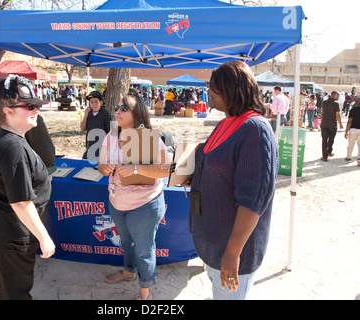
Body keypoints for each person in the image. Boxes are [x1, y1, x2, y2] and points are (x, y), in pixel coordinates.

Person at [189, 61, 278, 300]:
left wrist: (233, 253)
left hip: (233, 248)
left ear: (233, 89)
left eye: (215, 87)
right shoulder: (227, 122)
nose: (209, 91)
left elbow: (253, 200)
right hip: (216, 239)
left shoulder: (254, 129)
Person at [0, 77, 56, 298]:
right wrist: (43, 237)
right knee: (15, 292)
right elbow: (20, 202)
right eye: (28, 106)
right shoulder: (12, 147)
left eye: (36, 105)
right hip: (11, 233)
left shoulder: (7, 136)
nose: (35, 110)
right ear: (8, 111)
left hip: (1, 229)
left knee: (4, 285)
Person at [97, 88, 170, 300]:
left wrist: (136, 169)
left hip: (144, 204)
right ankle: (128, 271)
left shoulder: (149, 138)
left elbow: (166, 169)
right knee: (126, 243)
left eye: (123, 108)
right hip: (117, 202)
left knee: (144, 249)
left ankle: (145, 292)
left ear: (136, 113)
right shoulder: (110, 137)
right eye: (117, 108)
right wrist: (105, 168)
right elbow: (100, 166)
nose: (116, 112)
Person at [80, 90, 111, 160]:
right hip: (90, 147)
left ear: (101, 102)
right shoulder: (89, 114)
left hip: (102, 148)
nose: (94, 104)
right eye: (92, 102)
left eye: (96, 102)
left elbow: (111, 131)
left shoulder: (106, 114)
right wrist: (85, 115)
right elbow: (82, 129)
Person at [320, 91, 343, 162]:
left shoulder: (324, 103)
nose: (338, 97)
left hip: (324, 123)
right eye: (338, 96)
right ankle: (329, 151)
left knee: (324, 140)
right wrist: (340, 124)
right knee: (331, 139)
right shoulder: (336, 104)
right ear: (335, 95)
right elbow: (337, 115)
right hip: (332, 124)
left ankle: (324, 156)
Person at [344, 97, 360, 165]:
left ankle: (349, 156)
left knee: (351, 143)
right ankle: (359, 158)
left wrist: (346, 131)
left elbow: (349, 121)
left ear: (356, 103)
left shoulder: (353, 110)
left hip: (353, 129)